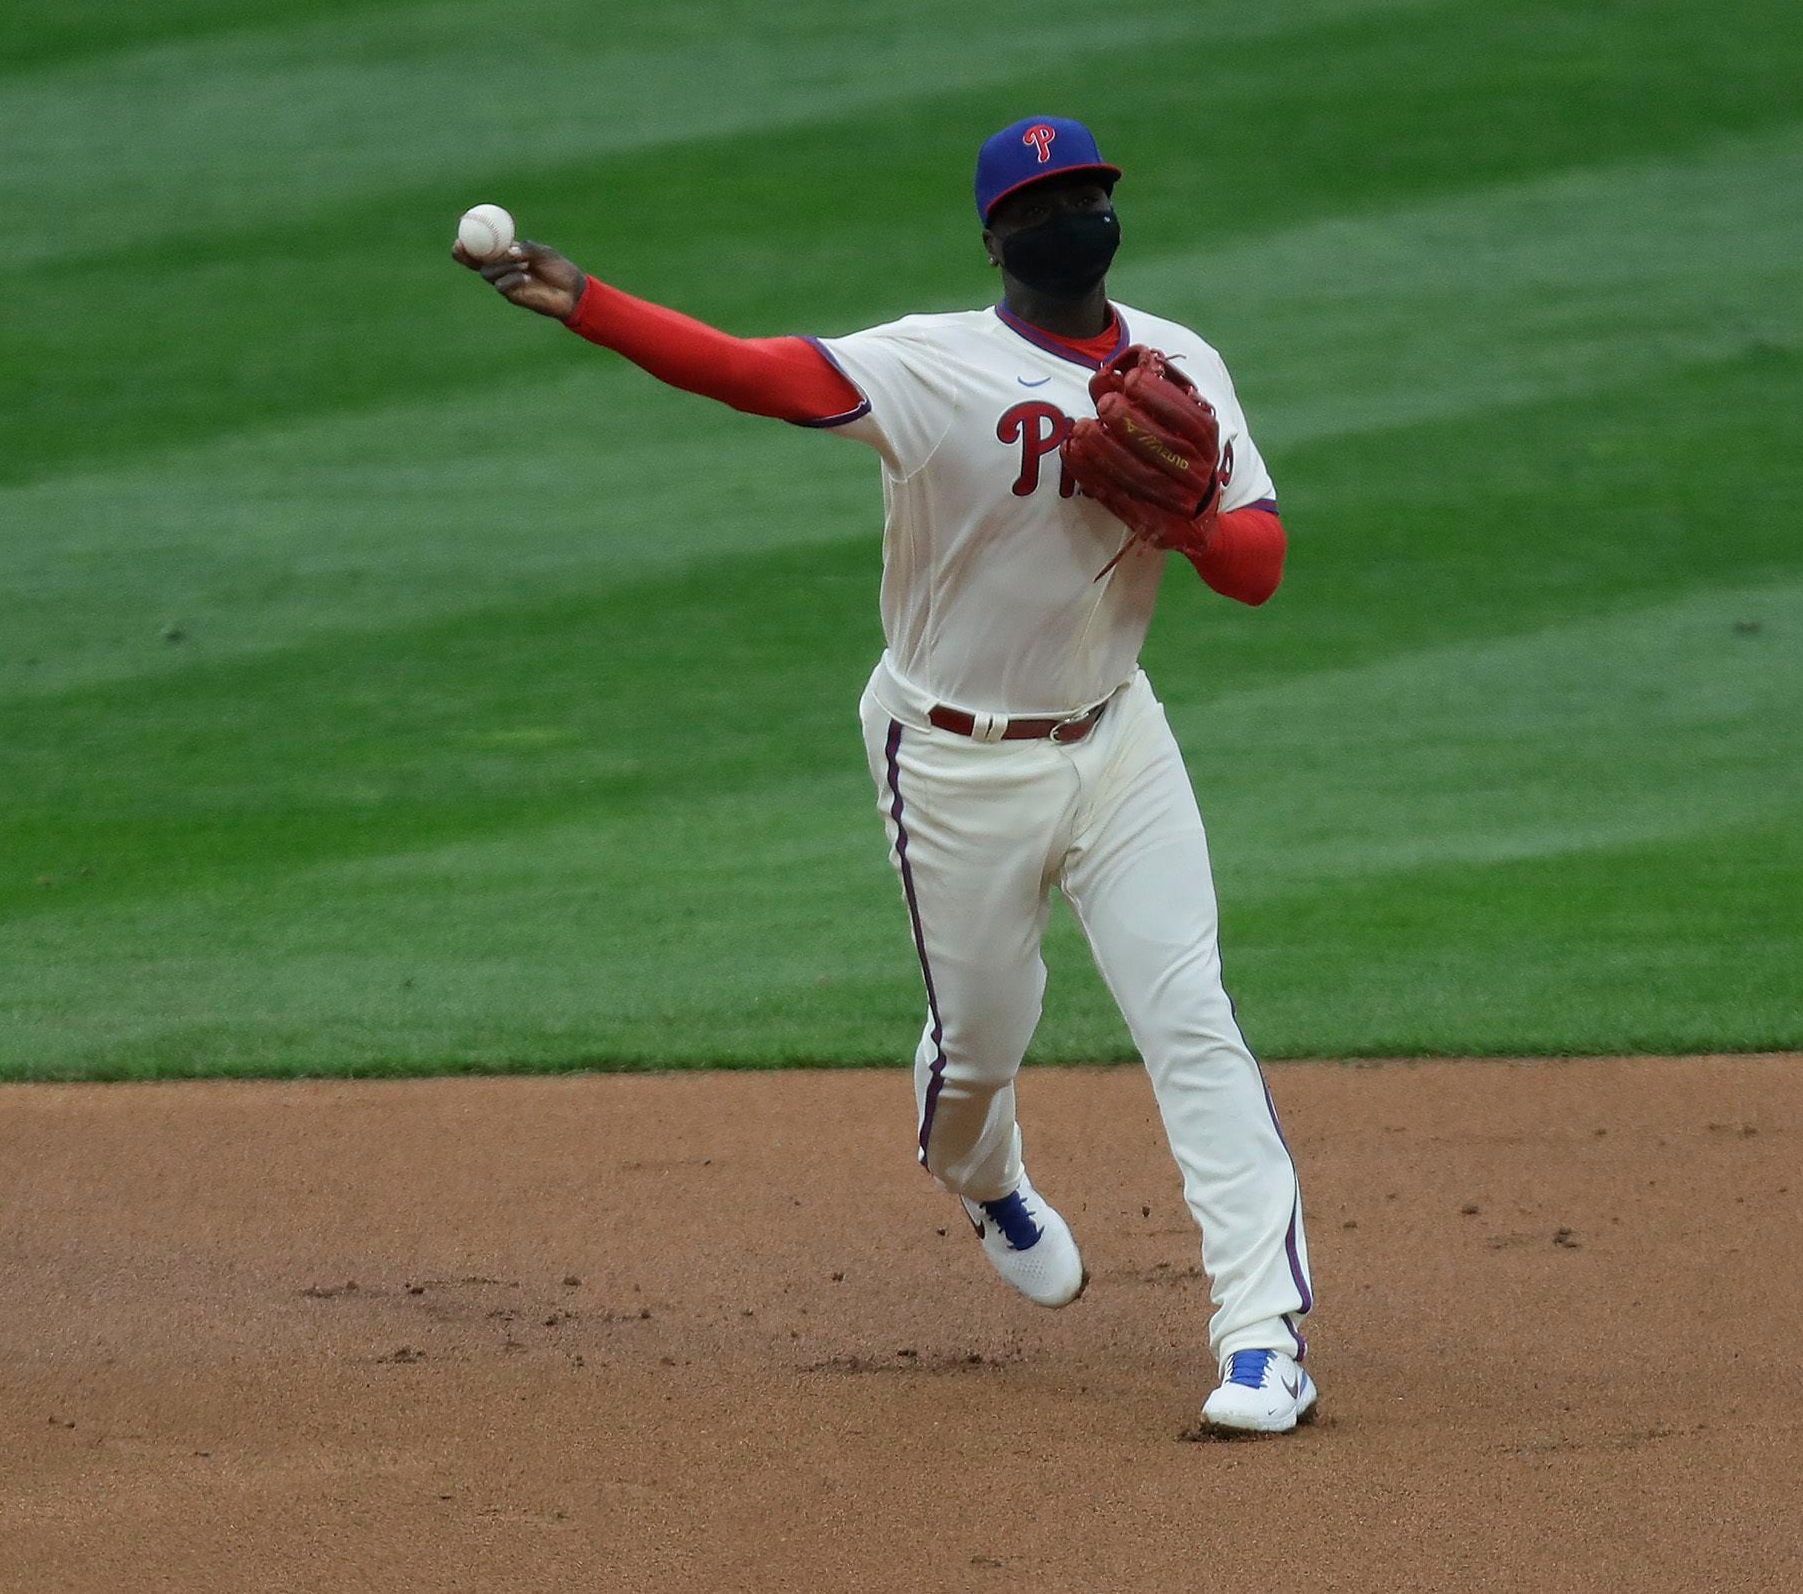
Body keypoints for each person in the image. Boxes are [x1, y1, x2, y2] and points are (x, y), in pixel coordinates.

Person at [455, 116, 1315, 1435]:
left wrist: (1188, 515)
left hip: (1120, 740)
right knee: (979, 1047)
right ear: (995, 239)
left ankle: (1263, 1337)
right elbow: (755, 374)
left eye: (1085, 193)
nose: (1069, 216)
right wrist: (589, 305)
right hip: (954, 758)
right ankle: (985, 1177)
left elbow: (1254, 569)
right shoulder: (931, 367)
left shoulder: (1180, 361)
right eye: (1040, 204)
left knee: (1191, 1014)